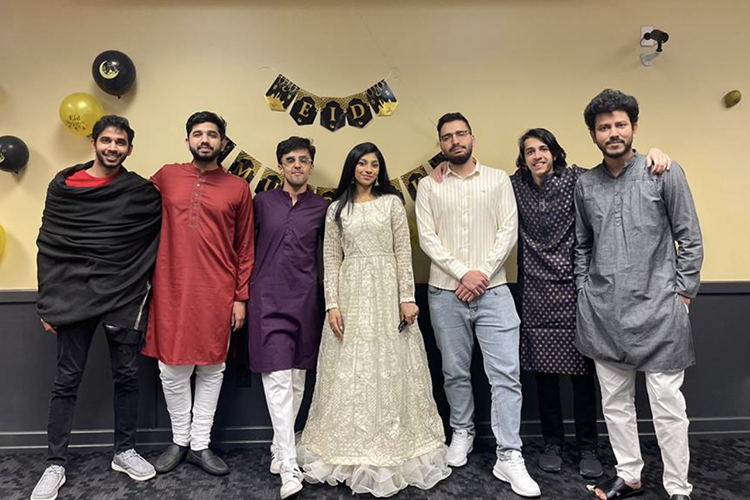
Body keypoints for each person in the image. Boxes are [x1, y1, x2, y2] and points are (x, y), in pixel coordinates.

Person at [509, 128, 671, 478]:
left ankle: (588, 447)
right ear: (523, 159)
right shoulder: (514, 185)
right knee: (545, 376)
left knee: (584, 375)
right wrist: (444, 170)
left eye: (543, 149)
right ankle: (552, 441)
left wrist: (652, 155)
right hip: (535, 291)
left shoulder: (579, 178)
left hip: (576, 290)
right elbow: (480, 187)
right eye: (530, 151)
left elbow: (618, 169)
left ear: (555, 152)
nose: (537, 156)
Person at [297, 142, 450, 497]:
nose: (368, 169)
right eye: (362, 163)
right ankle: (348, 447)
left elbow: (402, 252)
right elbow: (331, 260)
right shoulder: (336, 209)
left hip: (387, 292)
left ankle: (396, 443)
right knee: (351, 368)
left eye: (374, 164)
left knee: (392, 363)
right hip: (351, 295)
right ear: (351, 166)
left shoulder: (392, 204)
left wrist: (407, 297)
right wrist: (332, 305)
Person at [575, 89, 703, 500]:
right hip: (604, 313)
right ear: (593, 135)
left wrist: (682, 293)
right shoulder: (586, 184)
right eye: (604, 127)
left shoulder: (663, 172)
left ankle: (678, 486)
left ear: (634, 127)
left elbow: (690, 236)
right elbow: (581, 245)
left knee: (668, 405)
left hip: (660, 310)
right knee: (615, 403)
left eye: (620, 124)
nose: (613, 133)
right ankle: (628, 474)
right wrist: (584, 293)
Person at [32, 115, 161, 500]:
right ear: (93, 143)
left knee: (126, 376)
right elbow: (49, 245)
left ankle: (125, 451)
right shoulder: (65, 187)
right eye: (106, 140)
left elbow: (156, 238)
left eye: (120, 143)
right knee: (66, 379)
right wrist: (48, 302)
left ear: (129, 149)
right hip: (72, 298)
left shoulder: (139, 192)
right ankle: (55, 464)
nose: (112, 148)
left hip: (122, 294)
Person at [416, 112, 540, 498]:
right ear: (440, 144)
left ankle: (509, 454)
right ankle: (463, 433)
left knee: (506, 376)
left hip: (495, 292)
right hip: (444, 292)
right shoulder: (429, 185)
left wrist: (481, 274)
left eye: (460, 134)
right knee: (454, 372)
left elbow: (508, 230)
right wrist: (462, 275)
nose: (455, 141)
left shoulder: (499, 179)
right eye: (447, 137)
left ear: (472, 138)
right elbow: (427, 239)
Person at [143, 111, 255, 477]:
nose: (204, 140)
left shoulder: (238, 187)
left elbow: (245, 247)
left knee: (211, 368)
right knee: (171, 369)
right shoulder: (167, 177)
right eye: (197, 134)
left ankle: (200, 444)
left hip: (217, 291)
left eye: (212, 134)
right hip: (171, 287)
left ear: (223, 142)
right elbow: (130, 208)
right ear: (187, 140)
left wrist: (240, 297)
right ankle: (180, 440)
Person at [247, 136, 328, 499]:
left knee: (296, 381)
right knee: (278, 379)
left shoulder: (323, 208)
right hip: (267, 299)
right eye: (290, 160)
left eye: (304, 160)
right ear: (280, 166)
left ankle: (279, 447)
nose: (297, 165)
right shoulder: (261, 203)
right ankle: (290, 466)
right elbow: (243, 249)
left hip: (307, 301)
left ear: (311, 167)